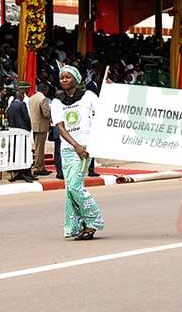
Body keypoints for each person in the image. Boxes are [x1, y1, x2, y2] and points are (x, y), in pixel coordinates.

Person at [51, 65, 105, 240]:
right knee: (70, 189)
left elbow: (103, 115)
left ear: (77, 79)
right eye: (62, 78)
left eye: (68, 77)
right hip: (68, 150)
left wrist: (90, 142)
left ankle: (94, 221)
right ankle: (78, 225)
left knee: (75, 186)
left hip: (85, 150)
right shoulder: (57, 101)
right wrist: (75, 145)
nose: (64, 80)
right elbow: (60, 127)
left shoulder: (89, 96)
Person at [8, 82, 34, 183]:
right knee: (25, 153)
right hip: (23, 132)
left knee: (17, 152)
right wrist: (28, 129)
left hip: (13, 132)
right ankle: (26, 172)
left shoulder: (11, 105)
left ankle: (18, 172)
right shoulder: (22, 104)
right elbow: (26, 119)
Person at [29, 82, 53, 176]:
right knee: (40, 148)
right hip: (41, 126)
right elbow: (46, 114)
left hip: (34, 125)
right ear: (44, 89)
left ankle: (40, 166)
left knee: (38, 147)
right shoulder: (43, 99)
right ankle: (38, 167)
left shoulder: (32, 98)